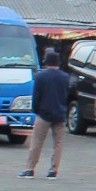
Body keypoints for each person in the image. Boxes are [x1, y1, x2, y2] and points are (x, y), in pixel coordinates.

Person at [17, 51, 72, 179]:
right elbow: (66, 95)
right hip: (60, 114)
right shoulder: (65, 77)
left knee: (36, 142)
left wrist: (36, 110)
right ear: (58, 63)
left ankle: (29, 169)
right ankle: (53, 171)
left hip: (44, 113)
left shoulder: (41, 76)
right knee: (58, 144)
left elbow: (36, 96)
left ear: (46, 62)